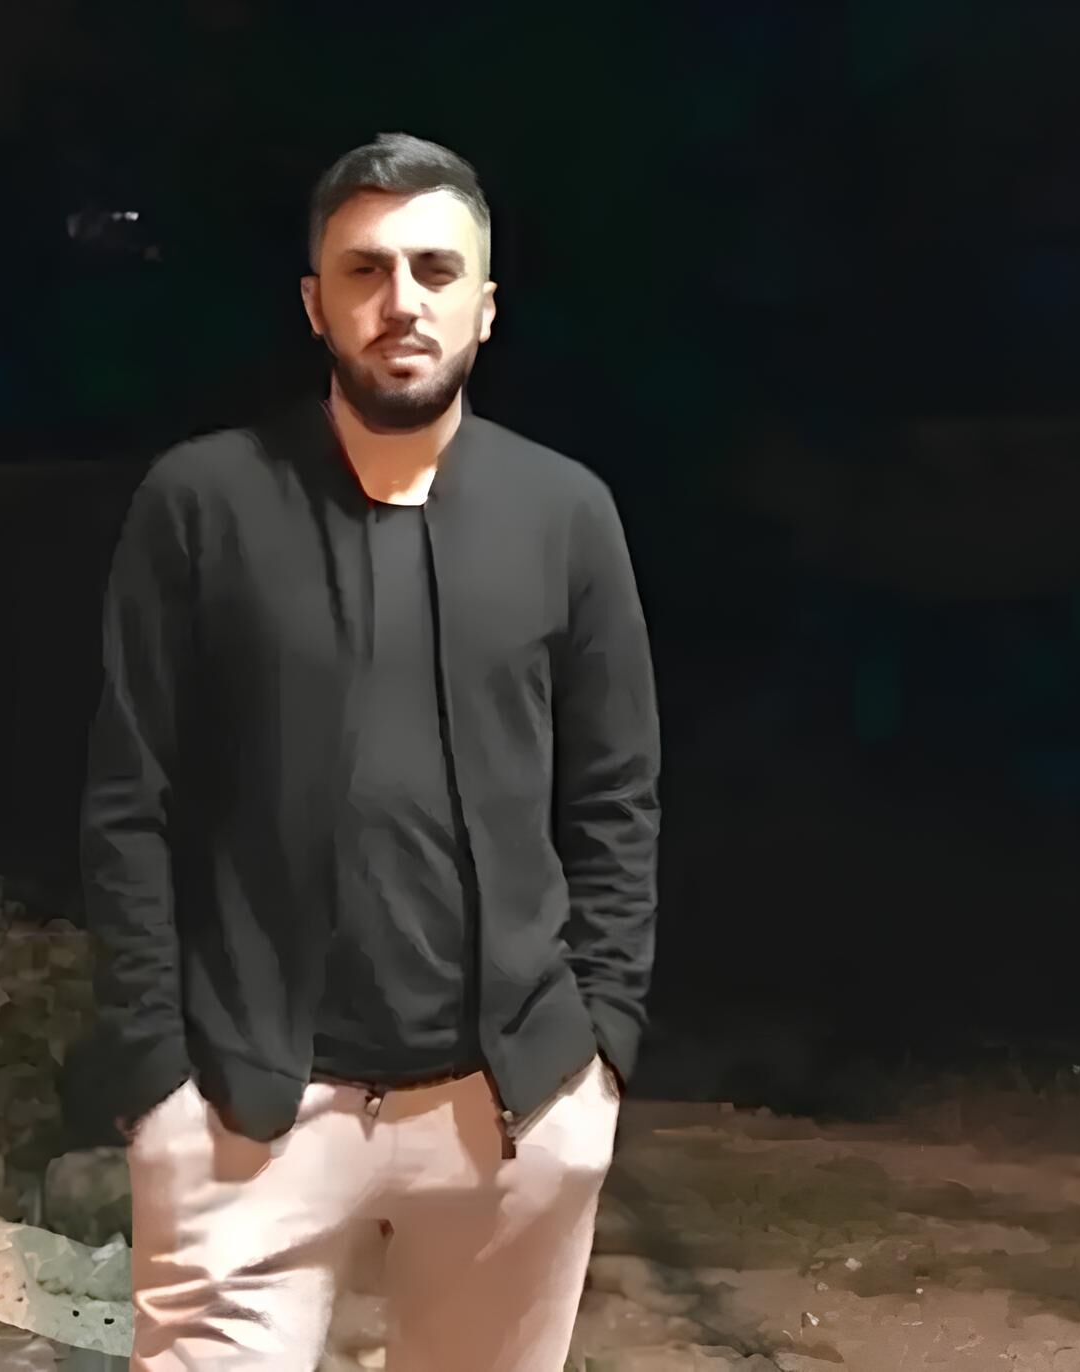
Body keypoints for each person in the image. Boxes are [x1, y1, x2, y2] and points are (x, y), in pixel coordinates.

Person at [78, 131, 661, 1371]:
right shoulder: (203, 501)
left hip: (509, 1117)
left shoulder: (564, 513)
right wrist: (154, 1075)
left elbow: (615, 795)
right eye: (365, 269)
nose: (402, 299)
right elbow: (131, 800)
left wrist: (598, 1057)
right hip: (244, 1112)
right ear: (315, 303)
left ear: (485, 306)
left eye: (435, 269)